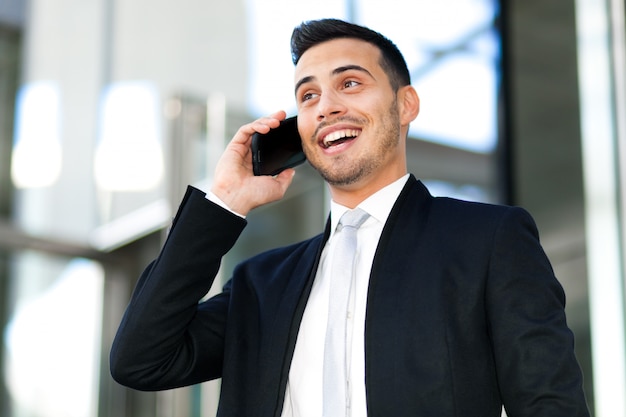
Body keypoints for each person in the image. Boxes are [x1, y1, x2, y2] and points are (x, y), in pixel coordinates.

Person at [110, 18, 590, 417]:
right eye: (308, 97)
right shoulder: (262, 284)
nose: (327, 107)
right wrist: (225, 201)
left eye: (350, 83)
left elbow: (549, 404)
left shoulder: (486, 241)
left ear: (405, 105)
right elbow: (141, 360)